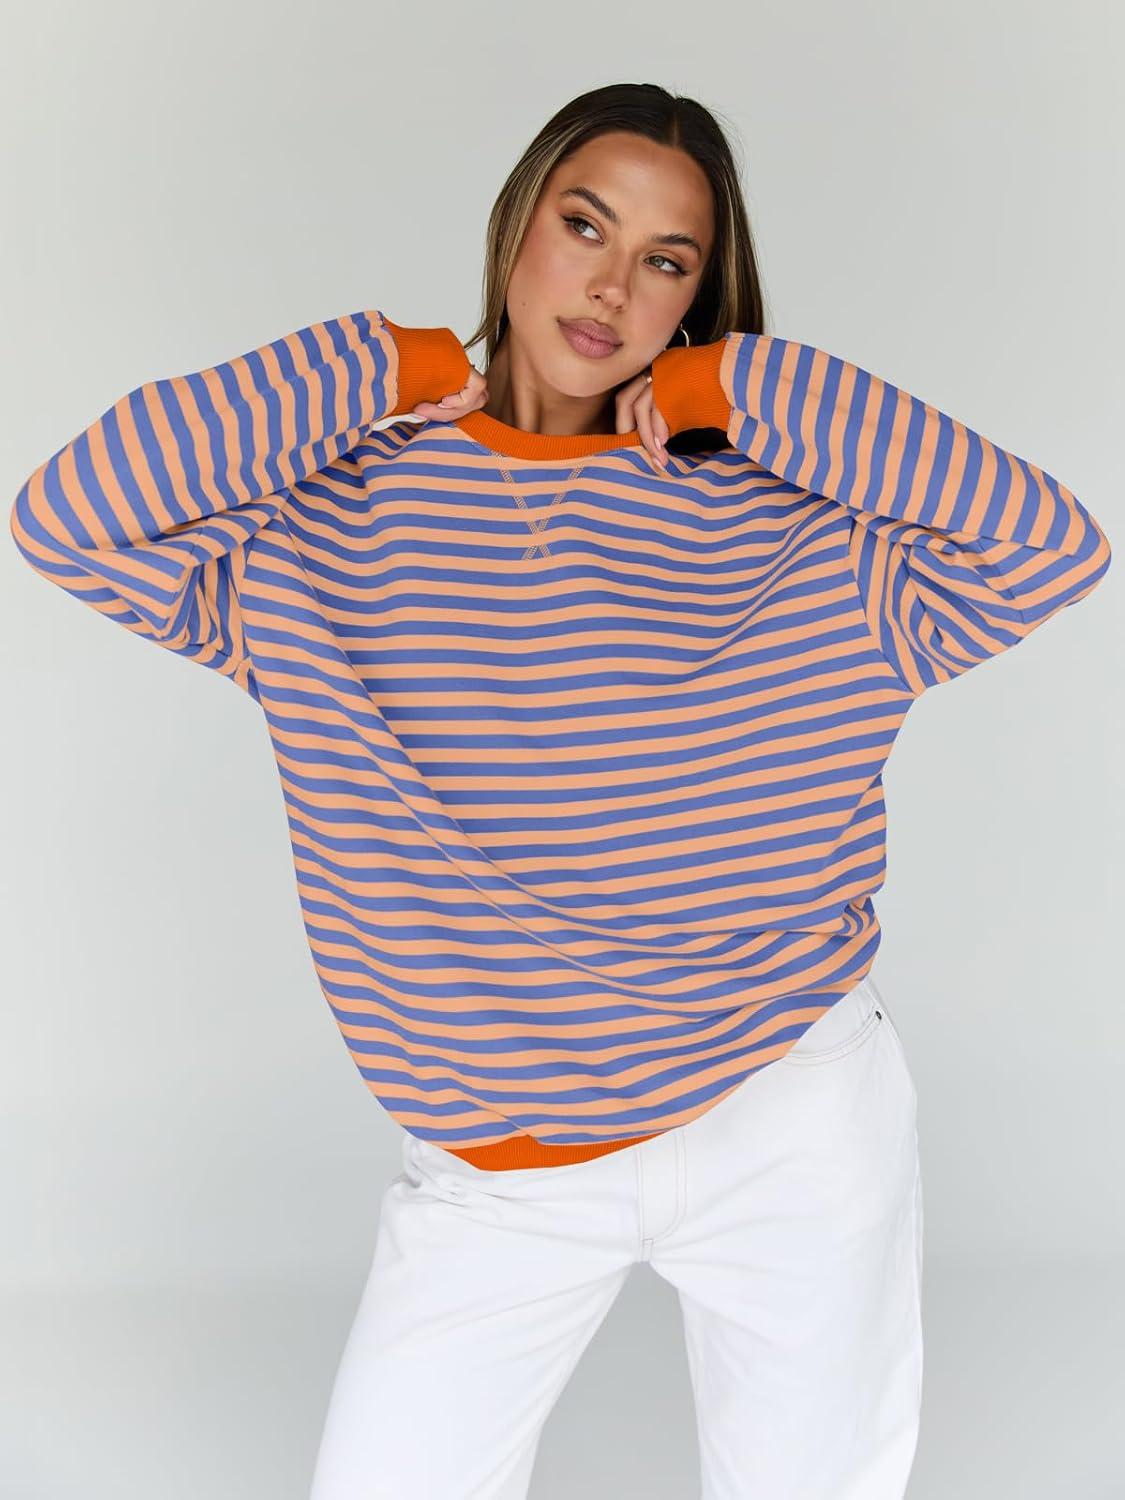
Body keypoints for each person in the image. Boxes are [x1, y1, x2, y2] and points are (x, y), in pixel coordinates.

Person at [10, 82, 1111, 1500]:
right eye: (584, 225)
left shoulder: (790, 525)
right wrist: (382, 365)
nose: (610, 286)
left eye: (665, 260)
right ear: (516, 226)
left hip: (784, 1110)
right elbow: (70, 515)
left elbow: (1050, 545)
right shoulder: (328, 524)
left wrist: (742, 391)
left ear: (697, 296)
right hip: (494, 1164)